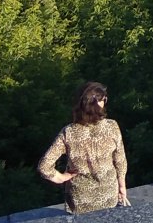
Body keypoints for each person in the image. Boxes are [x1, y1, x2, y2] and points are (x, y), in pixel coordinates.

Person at [39, 81, 129, 214]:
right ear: (99, 104)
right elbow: (120, 161)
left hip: (80, 200)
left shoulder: (68, 133)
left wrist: (61, 177)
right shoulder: (112, 127)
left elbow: (44, 167)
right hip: (109, 195)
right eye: (104, 99)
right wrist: (122, 186)